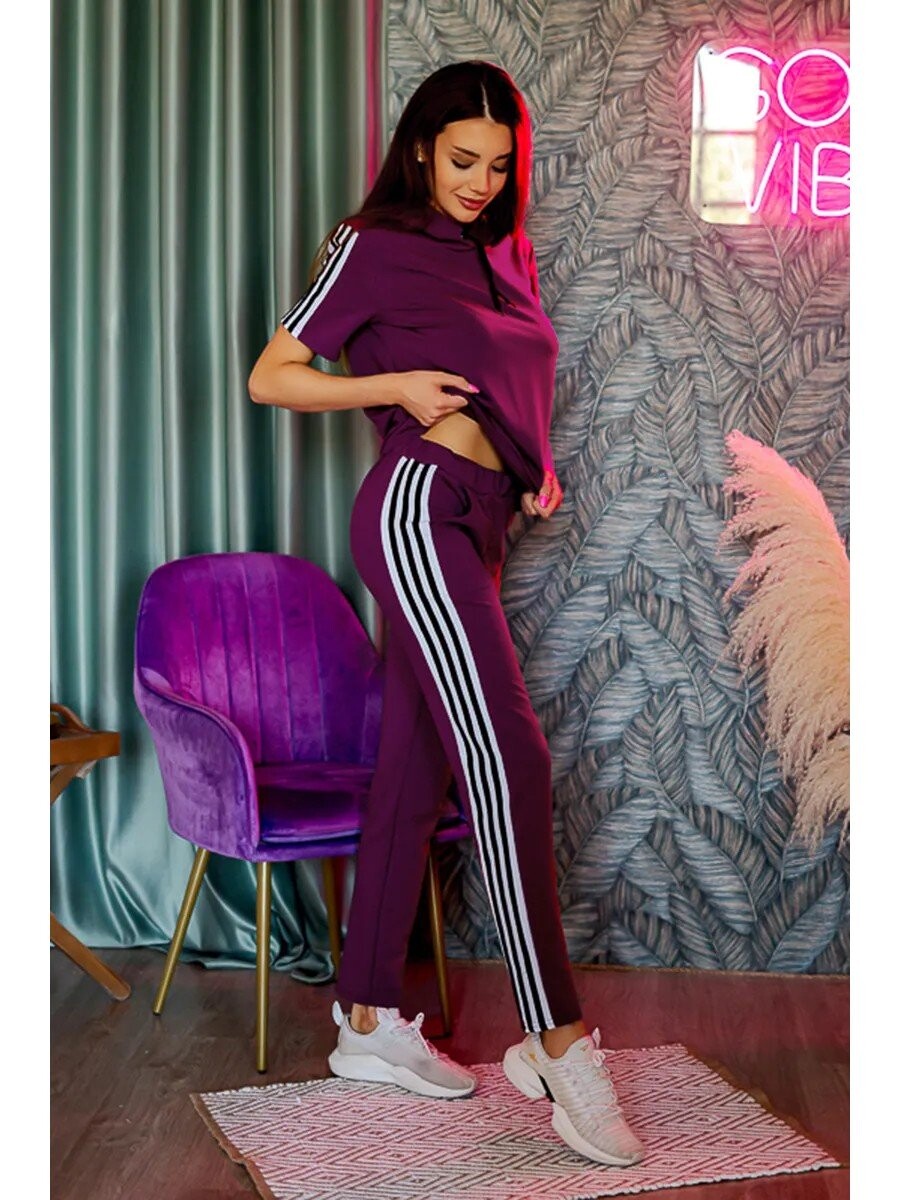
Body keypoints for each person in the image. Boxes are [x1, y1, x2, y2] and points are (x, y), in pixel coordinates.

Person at [248, 60, 644, 1168]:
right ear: (421, 147)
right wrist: (395, 388)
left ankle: (369, 1019)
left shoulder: (504, 254)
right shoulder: (372, 243)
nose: (480, 182)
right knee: (511, 754)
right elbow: (273, 374)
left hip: (482, 517)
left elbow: (516, 378)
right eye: (463, 160)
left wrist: (534, 465)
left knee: (415, 769)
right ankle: (557, 1043)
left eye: (499, 166)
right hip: (416, 509)